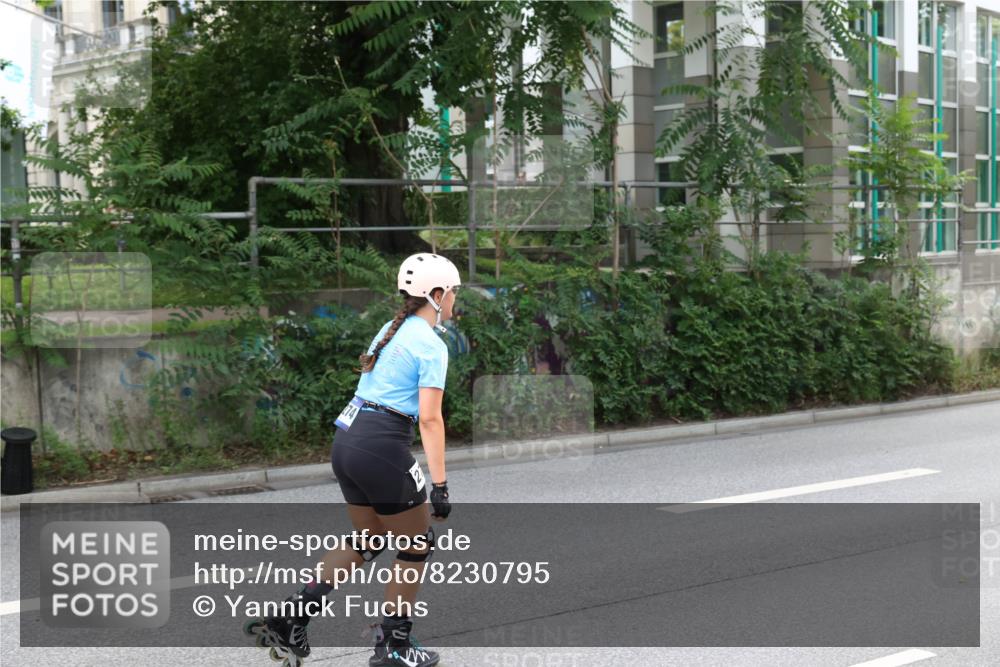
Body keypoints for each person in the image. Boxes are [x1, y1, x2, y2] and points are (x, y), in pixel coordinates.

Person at [245, 252, 459, 667]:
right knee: (418, 544)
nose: (454, 302)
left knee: (372, 538)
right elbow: (430, 419)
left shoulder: (391, 328)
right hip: (381, 445)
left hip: (347, 440)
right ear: (435, 295)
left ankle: (291, 617)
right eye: (452, 293)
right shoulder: (431, 344)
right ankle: (395, 647)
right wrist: (441, 485)